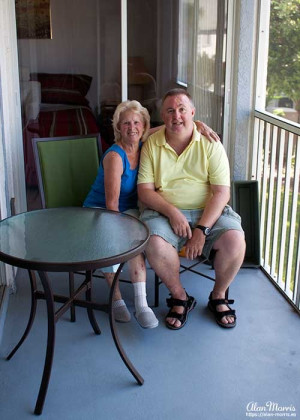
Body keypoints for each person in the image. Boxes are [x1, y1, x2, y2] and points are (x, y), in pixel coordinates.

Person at [84, 99, 220, 329]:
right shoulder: (115, 157)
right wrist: (122, 233)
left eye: (137, 122)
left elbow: (172, 126)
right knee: (114, 237)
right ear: (118, 127)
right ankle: (116, 299)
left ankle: (141, 304)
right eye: (125, 123)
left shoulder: (142, 143)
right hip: (103, 211)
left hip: (130, 210)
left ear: (144, 126)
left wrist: (197, 124)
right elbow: (111, 205)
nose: (132, 128)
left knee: (141, 239)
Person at [137, 88, 246, 330]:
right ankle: (180, 297)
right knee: (153, 242)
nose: (176, 116)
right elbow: (145, 191)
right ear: (163, 117)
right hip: (164, 212)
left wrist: (201, 229)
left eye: (182, 110)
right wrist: (173, 212)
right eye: (170, 111)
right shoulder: (152, 144)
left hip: (208, 211)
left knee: (236, 240)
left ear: (193, 113)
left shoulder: (211, 143)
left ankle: (218, 295)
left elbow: (221, 193)